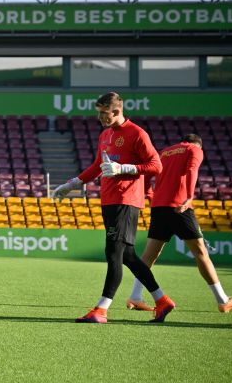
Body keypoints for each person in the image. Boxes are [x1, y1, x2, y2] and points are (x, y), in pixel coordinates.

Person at [52, 91, 173, 323]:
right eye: (98, 113)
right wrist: (73, 184)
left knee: (114, 253)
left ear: (116, 111)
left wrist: (124, 169)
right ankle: (162, 301)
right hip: (109, 200)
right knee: (127, 255)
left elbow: (156, 165)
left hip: (126, 201)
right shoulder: (105, 134)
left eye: (103, 113)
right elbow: (98, 165)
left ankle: (101, 309)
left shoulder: (137, 133)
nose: (100, 118)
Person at [126, 134, 232, 313]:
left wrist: (149, 194)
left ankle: (135, 296)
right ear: (198, 144)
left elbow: (147, 174)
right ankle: (223, 300)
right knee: (200, 253)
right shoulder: (194, 150)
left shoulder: (164, 153)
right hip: (179, 206)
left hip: (159, 207)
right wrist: (189, 197)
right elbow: (192, 170)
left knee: (148, 256)